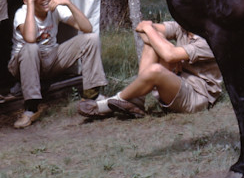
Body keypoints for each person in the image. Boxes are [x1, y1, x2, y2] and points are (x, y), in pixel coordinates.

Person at [9, 0, 108, 128]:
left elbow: (87, 28)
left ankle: (91, 95)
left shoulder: (54, 10)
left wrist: (68, 3)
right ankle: (31, 108)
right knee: (31, 48)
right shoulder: (22, 13)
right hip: (23, 64)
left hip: (51, 59)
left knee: (91, 38)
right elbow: (30, 38)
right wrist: (30, 3)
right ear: (27, 1)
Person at [79, 20, 222, 120]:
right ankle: (136, 100)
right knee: (154, 42)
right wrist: (160, 41)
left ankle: (108, 104)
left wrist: (152, 33)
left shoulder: (210, 39)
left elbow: (168, 53)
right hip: (177, 86)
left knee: (156, 68)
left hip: (197, 97)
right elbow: (141, 27)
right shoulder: (183, 26)